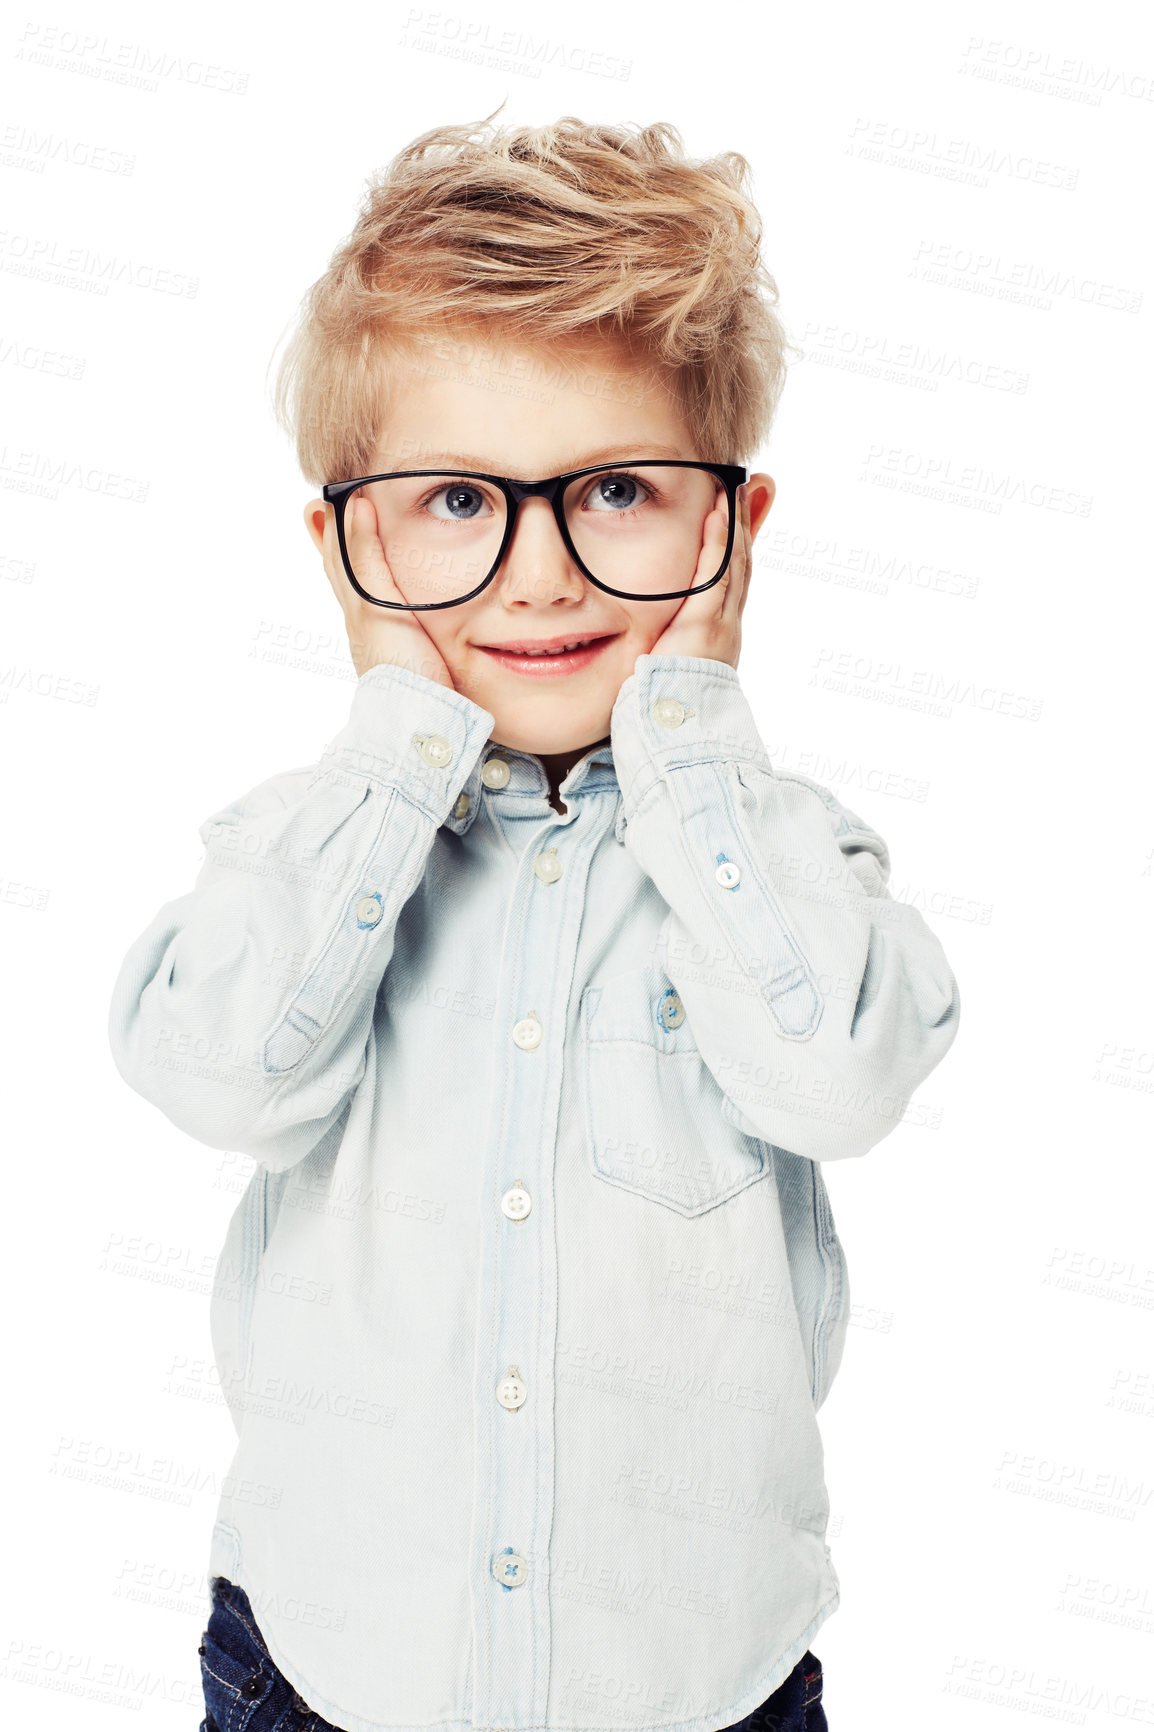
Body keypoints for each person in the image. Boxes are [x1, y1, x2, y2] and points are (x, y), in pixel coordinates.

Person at [108, 110, 960, 1732]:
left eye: (619, 491)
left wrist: (695, 729)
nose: (540, 576)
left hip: (696, 1692)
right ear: (346, 543)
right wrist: (391, 731)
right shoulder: (302, 847)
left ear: (729, 529)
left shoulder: (779, 858)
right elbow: (222, 1076)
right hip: (326, 1676)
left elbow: (836, 1081)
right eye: (450, 505)